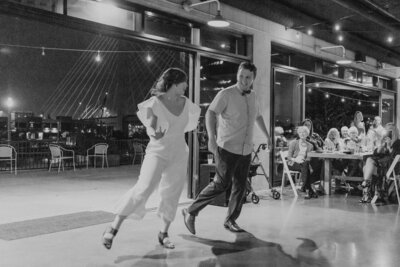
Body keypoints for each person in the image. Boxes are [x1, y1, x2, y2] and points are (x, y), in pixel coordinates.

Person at [101, 68, 201, 249]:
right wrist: (157, 133)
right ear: (175, 83)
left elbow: (190, 124)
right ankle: (114, 226)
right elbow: (152, 131)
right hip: (158, 151)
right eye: (184, 82)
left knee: (172, 193)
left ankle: (163, 233)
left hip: (179, 152)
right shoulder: (155, 103)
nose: (187, 85)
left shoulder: (187, 103)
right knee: (143, 189)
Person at [182, 62, 271, 234]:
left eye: (248, 78)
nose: (244, 80)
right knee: (221, 184)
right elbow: (210, 113)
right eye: (241, 76)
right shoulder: (226, 94)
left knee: (240, 186)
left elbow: (258, 116)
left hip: (245, 150)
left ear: (253, 79)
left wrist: (268, 136)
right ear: (237, 74)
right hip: (227, 148)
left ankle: (230, 220)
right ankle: (190, 211)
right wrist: (211, 138)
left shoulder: (253, 96)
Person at [360, 123, 400, 203]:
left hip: (392, 168)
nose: (388, 133)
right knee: (368, 162)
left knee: (367, 165)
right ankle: (367, 189)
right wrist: (381, 145)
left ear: (395, 132)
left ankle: (366, 190)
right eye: (387, 131)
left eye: (390, 131)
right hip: (383, 166)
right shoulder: (385, 142)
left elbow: (395, 157)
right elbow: (376, 154)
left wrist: (389, 146)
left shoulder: (398, 143)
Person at [287, 126, 316, 199]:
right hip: (293, 163)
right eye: (300, 132)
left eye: (304, 132)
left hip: (304, 164)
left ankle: (307, 190)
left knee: (306, 165)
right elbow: (289, 157)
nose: (302, 134)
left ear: (307, 134)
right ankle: (309, 190)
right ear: (298, 134)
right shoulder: (293, 143)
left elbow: (309, 158)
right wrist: (296, 160)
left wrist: (304, 161)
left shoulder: (310, 145)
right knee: (306, 168)